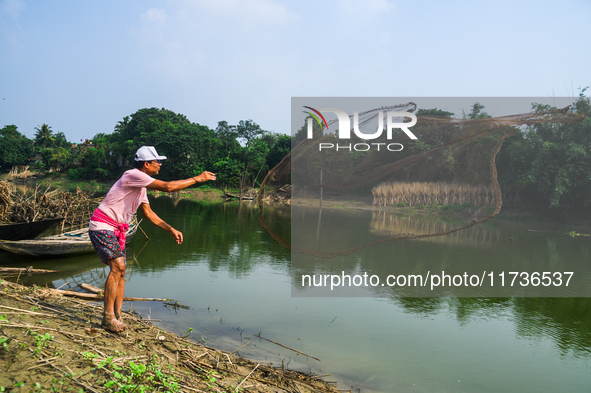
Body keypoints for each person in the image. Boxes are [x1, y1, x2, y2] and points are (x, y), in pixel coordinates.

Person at [89, 146, 216, 332]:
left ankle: (117, 315)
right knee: (118, 266)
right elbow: (168, 187)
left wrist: (170, 229)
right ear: (146, 164)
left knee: (122, 272)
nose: (160, 164)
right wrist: (198, 179)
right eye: (157, 161)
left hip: (117, 229)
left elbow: (148, 213)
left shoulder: (141, 186)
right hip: (103, 225)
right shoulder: (132, 175)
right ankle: (107, 318)